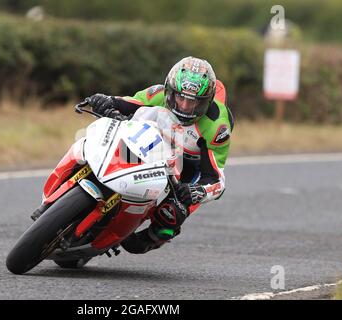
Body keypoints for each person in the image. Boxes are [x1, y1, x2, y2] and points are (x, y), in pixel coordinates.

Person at [85, 56, 235, 254]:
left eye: (193, 102)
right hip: (153, 143)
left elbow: (216, 180)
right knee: (106, 148)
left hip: (189, 166)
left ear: (206, 102)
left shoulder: (218, 127)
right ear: (169, 90)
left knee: (171, 215)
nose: (184, 106)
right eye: (180, 97)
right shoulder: (158, 93)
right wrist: (105, 101)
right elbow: (127, 103)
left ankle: (153, 236)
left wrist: (197, 192)